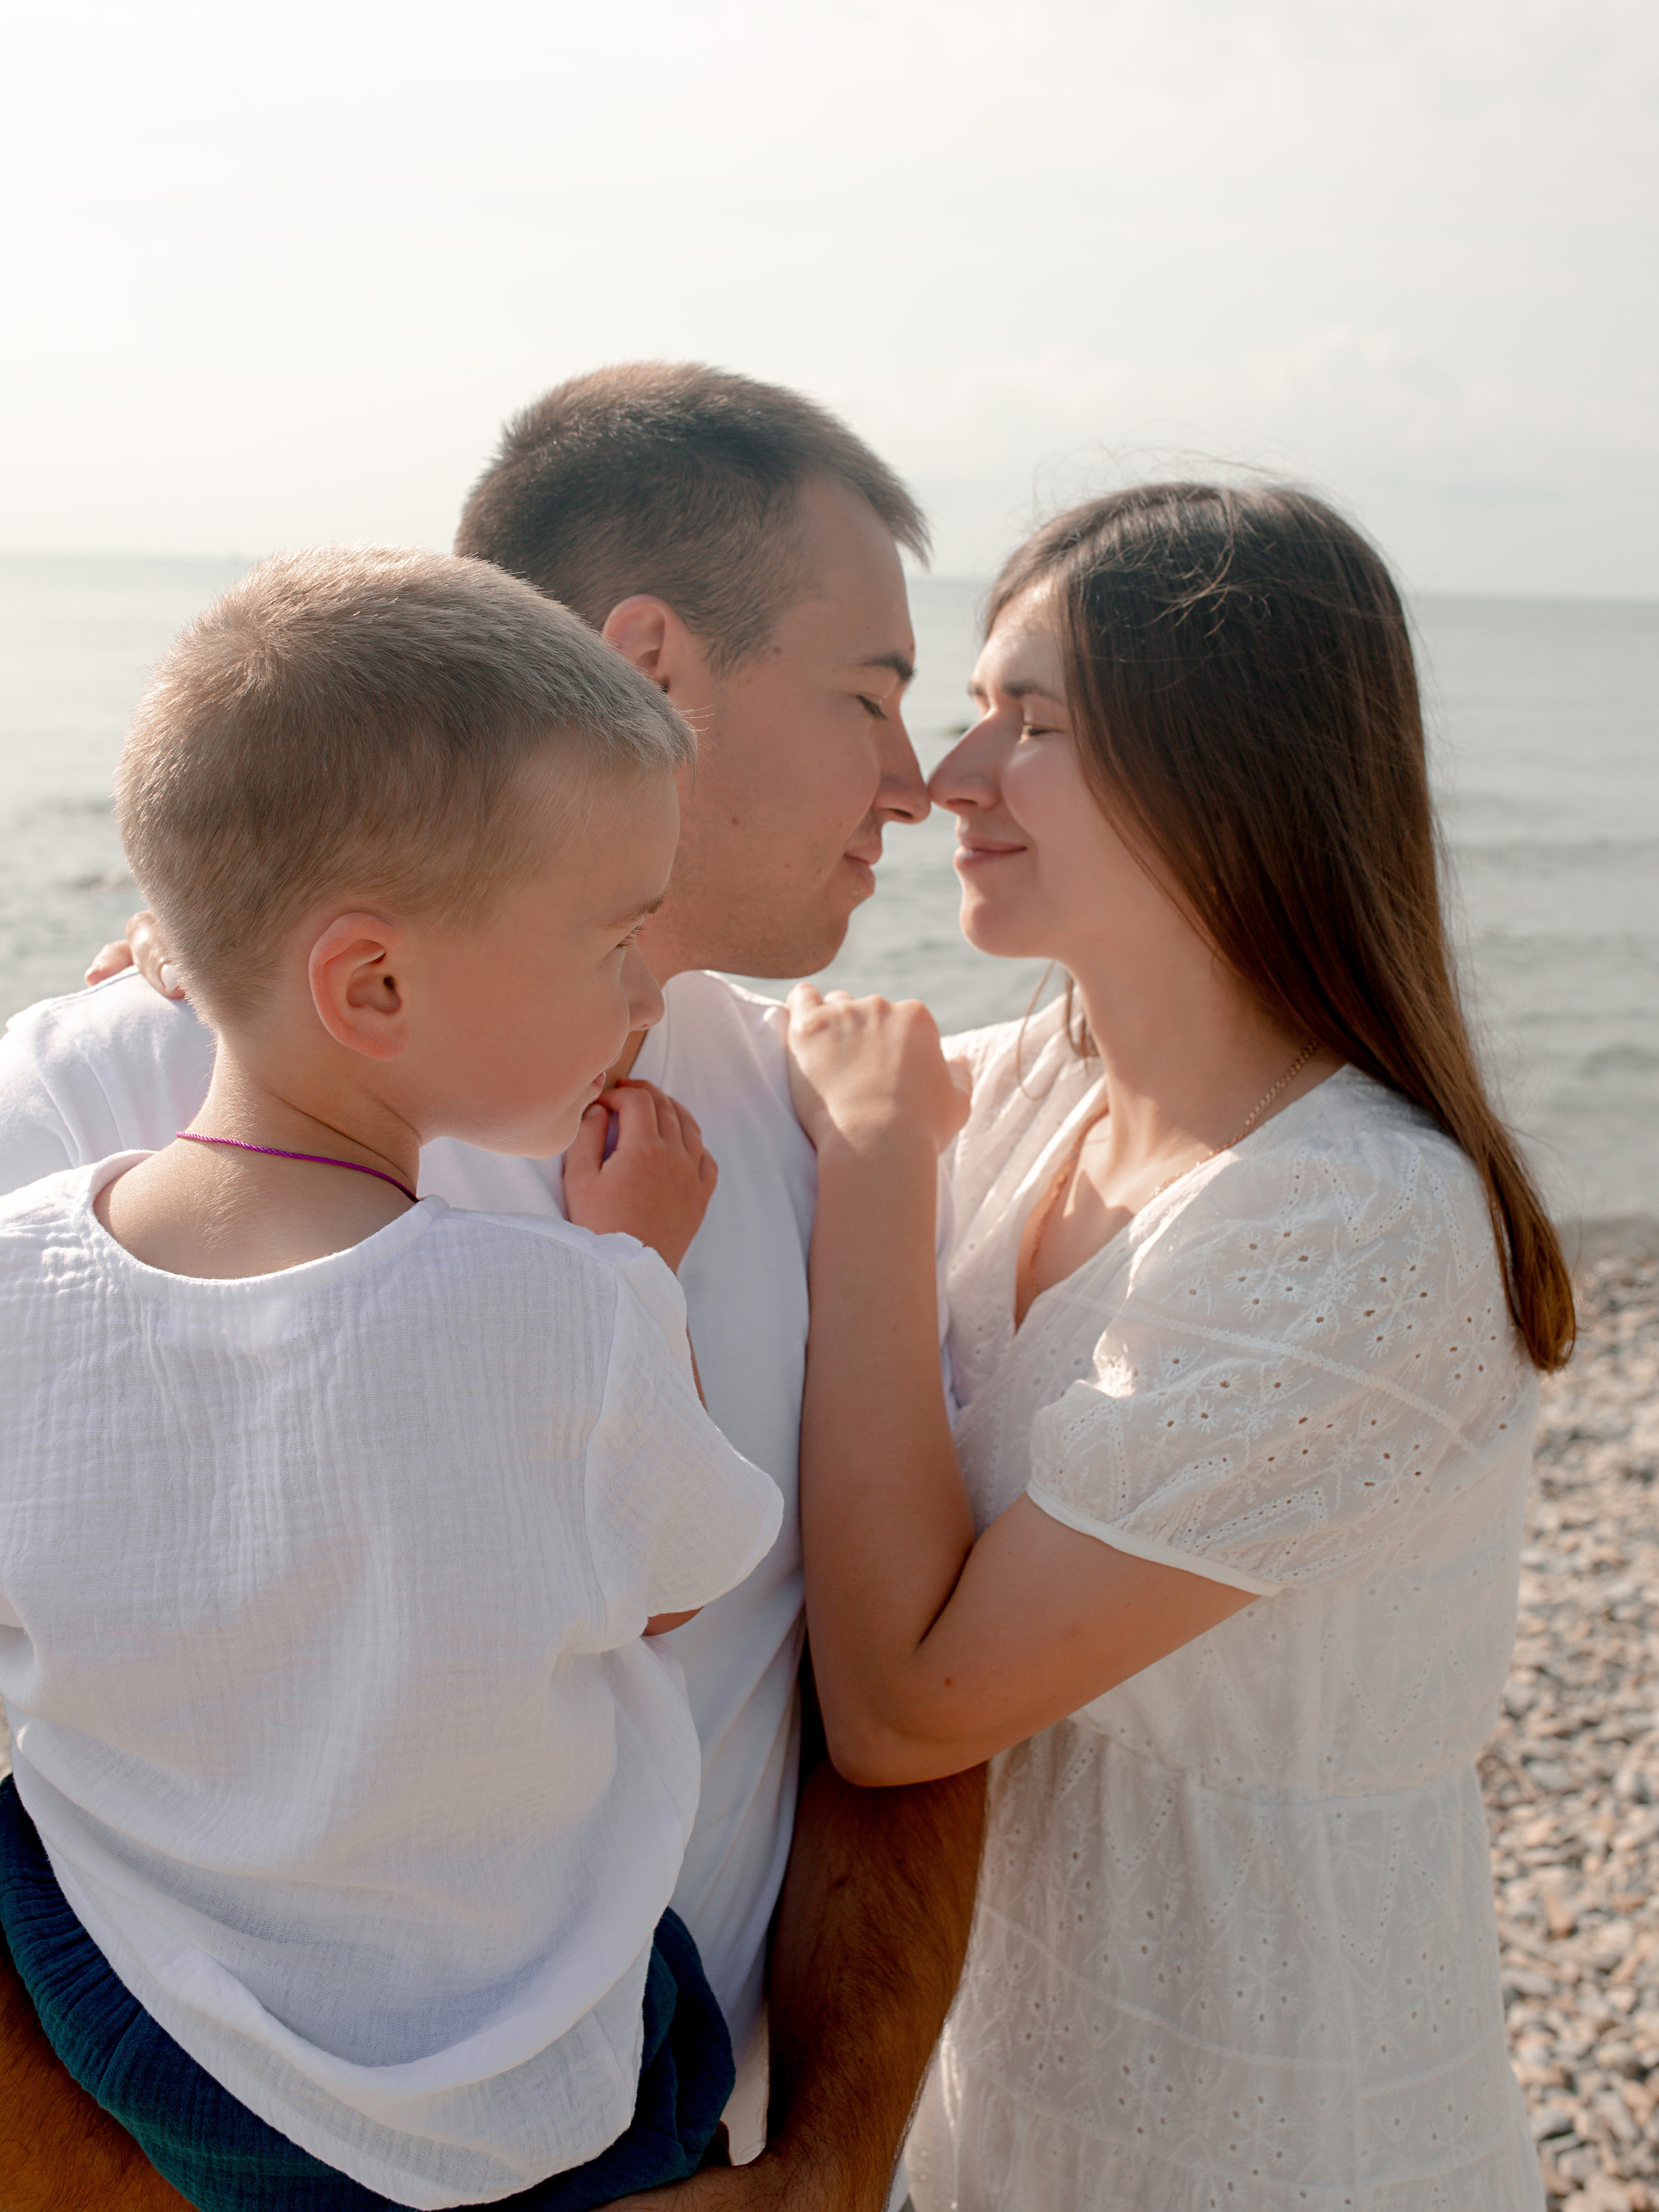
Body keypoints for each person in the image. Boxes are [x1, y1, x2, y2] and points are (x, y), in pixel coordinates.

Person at [0, 364, 986, 2212]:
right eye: (871, 694)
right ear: (652, 666)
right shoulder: (97, 1091)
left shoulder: (823, 1122)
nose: (920, 785)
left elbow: (896, 1702)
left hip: (660, 2145)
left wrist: (832, 2166)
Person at [782, 482, 1575, 2209]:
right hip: (982, 2110)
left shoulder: (1360, 1221)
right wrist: (235, 1006)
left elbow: (908, 1707)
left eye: (1034, 723)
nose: (950, 777)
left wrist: (876, 1174)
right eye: (973, 710)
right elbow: (600, 1033)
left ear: (1235, 769)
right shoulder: (1028, 1095)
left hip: (1265, 2142)